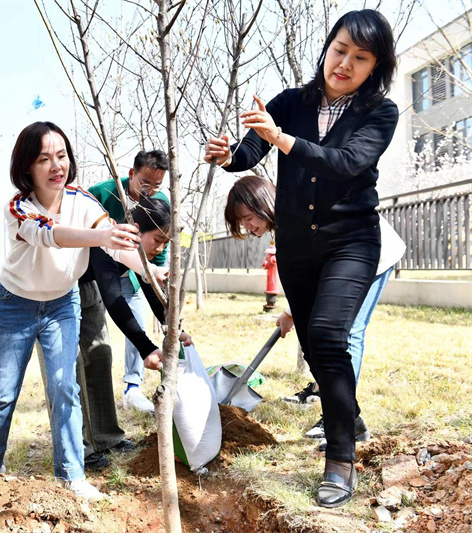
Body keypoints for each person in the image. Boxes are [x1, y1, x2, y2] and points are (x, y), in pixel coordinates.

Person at [206, 10, 398, 507]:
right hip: (296, 245)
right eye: (340, 50)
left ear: (374, 66)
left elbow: (348, 163)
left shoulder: (380, 113)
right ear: (327, 48)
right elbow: (249, 154)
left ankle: (340, 456)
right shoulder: (289, 102)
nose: (345, 64)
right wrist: (226, 154)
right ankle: (347, 413)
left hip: (350, 242)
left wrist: (281, 139)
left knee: (331, 336)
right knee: (314, 346)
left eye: (360, 58)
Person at [0, 121, 148, 502]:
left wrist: (151, 271)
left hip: (62, 305)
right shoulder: (19, 207)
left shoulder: (82, 201)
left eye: (61, 155)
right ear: (26, 168)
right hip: (15, 304)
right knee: (3, 391)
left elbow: (118, 245)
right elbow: (50, 235)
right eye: (44, 159)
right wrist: (102, 237)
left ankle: (71, 475)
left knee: (64, 385)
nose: (56, 165)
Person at [224, 175, 406, 452]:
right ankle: (348, 416)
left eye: (249, 218)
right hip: (338, 261)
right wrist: (292, 312)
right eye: (242, 222)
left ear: (263, 203)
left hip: (371, 252)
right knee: (320, 338)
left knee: (345, 335)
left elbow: (323, 272)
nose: (248, 227)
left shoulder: (299, 213)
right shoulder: (283, 226)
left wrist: (290, 312)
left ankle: (338, 420)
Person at [46, 197, 191, 471]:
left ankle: (107, 438)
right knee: (69, 369)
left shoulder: (140, 252)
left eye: (166, 242)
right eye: (157, 239)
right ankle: (80, 450)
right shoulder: (109, 242)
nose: (160, 248)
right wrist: (146, 347)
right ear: (136, 229)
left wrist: (174, 329)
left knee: (100, 356)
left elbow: (149, 284)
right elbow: (114, 299)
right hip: (58, 291)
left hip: (87, 288)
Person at [88, 151, 170, 413]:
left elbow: (153, 261)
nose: (150, 192)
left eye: (157, 186)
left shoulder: (159, 203)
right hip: (92, 269)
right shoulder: (101, 194)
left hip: (132, 267)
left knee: (138, 319)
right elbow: (112, 296)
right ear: (132, 174)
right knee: (101, 334)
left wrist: (170, 323)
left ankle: (132, 387)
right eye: (145, 184)